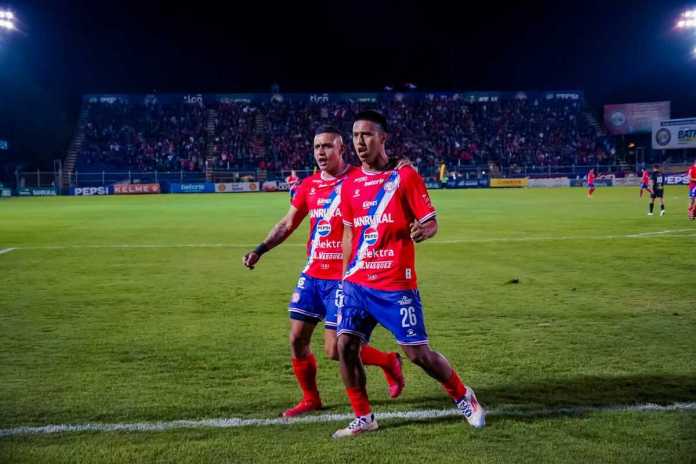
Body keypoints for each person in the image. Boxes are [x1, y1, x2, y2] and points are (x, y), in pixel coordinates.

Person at [332, 110, 485, 439]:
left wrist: (423, 230)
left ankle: (463, 395)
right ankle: (364, 417)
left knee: (418, 355)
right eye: (356, 136)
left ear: (383, 138)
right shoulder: (350, 184)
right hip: (357, 284)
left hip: (394, 284)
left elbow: (431, 221)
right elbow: (348, 235)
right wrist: (344, 279)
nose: (360, 142)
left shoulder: (404, 176)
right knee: (345, 346)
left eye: (368, 135)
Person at [243, 126, 405, 418]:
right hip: (313, 274)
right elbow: (287, 223)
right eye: (317, 146)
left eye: (328, 146)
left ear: (342, 149)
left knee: (334, 350)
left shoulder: (359, 178)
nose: (321, 152)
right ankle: (311, 399)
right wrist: (260, 249)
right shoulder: (309, 185)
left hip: (344, 278)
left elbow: (391, 180)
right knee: (296, 340)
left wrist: (400, 163)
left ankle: (389, 361)